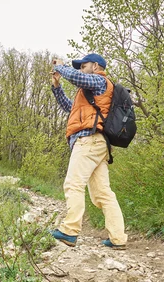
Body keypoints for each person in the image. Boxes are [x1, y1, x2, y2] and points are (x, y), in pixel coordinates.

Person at [49, 53, 127, 250]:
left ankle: (70, 231)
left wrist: (62, 67)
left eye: (83, 66)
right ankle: (118, 238)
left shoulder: (99, 81)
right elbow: (71, 108)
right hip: (98, 144)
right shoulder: (89, 92)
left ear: (95, 66)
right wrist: (57, 87)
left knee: (73, 184)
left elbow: (77, 78)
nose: (81, 69)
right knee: (102, 194)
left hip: (89, 141)